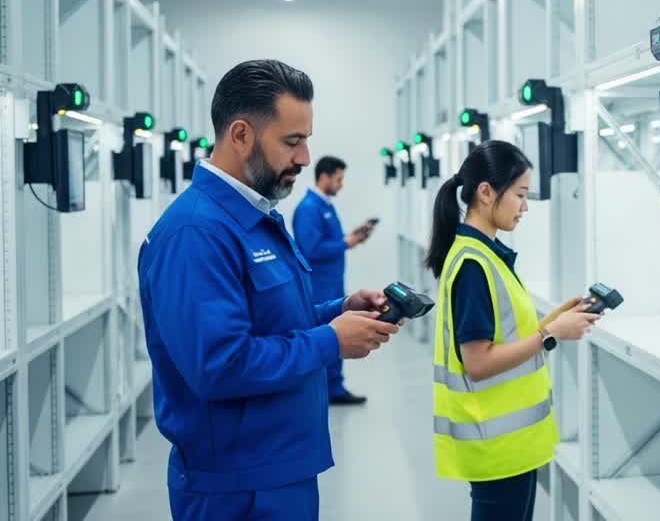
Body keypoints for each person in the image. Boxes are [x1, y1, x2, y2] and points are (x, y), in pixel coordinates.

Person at [138, 60, 402, 521]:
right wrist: (331, 341)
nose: (305, 158)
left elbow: (272, 322)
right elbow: (219, 365)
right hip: (237, 488)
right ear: (241, 135)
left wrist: (338, 310)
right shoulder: (196, 234)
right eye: (292, 142)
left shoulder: (255, 218)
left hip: (279, 467)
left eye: (306, 140)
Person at [426, 140, 601, 521]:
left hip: (511, 445)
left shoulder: (485, 254)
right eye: (520, 195)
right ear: (486, 192)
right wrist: (551, 334)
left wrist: (554, 321)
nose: (525, 206)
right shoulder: (474, 265)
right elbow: (478, 363)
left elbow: (504, 335)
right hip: (495, 447)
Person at [293, 155, 377, 405]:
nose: (341, 184)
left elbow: (329, 241)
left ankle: (335, 386)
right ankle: (329, 388)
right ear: (324, 177)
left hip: (332, 281)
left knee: (337, 329)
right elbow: (311, 249)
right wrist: (346, 242)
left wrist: (352, 238)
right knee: (330, 332)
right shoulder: (309, 208)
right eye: (338, 179)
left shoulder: (325, 206)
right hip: (319, 285)